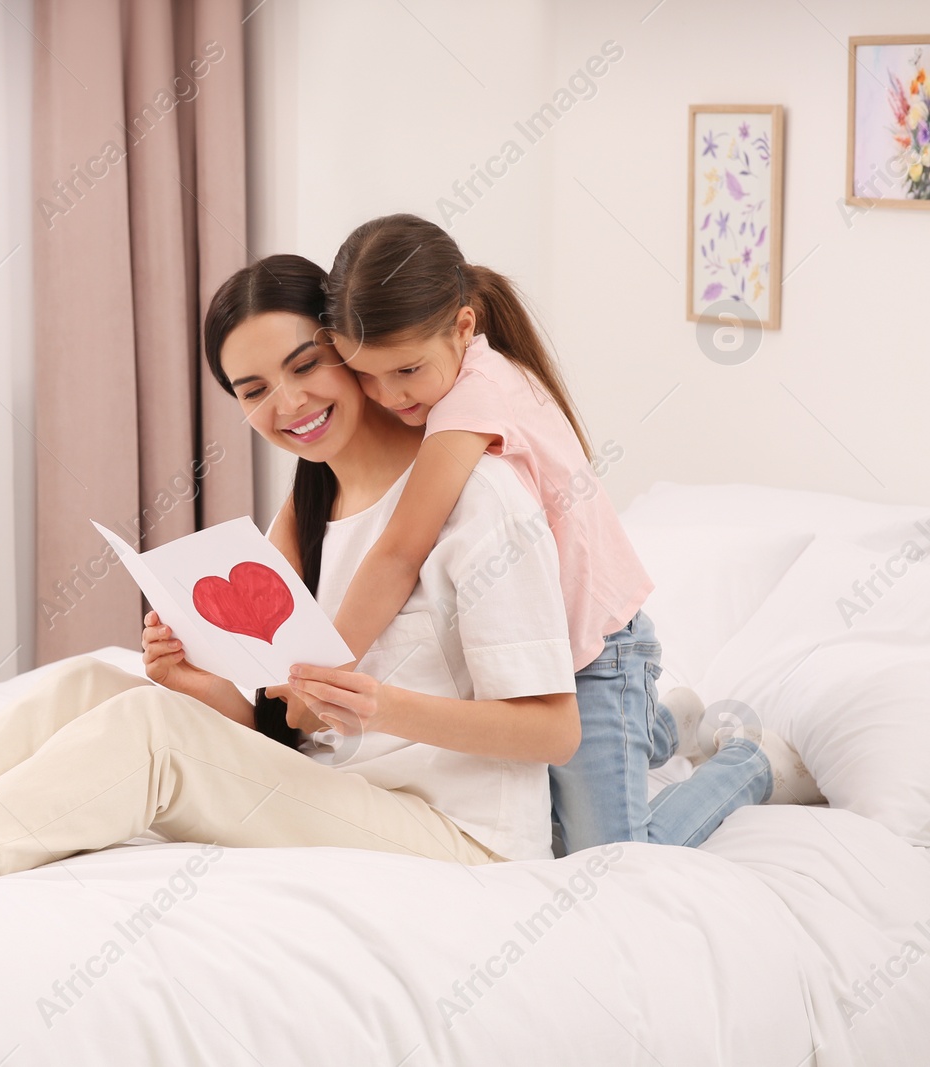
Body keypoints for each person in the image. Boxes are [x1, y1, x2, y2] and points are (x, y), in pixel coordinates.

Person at [0, 253, 580, 893]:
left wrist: (381, 708)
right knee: (90, 685)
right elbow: (290, 722)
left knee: (149, 731)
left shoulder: (480, 494)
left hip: (464, 846)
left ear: (352, 347)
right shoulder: (309, 504)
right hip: (351, 792)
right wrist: (195, 679)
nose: (289, 404)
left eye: (306, 366)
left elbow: (551, 731)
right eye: (254, 390)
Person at [294, 213, 818, 853]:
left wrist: (324, 670)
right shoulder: (465, 378)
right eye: (365, 375)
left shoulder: (470, 405)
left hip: (599, 656)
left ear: (464, 325)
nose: (385, 395)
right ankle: (658, 728)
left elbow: (401, 550)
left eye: (405, 371)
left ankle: (749, 763)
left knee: (611, 854)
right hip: (554, 649)